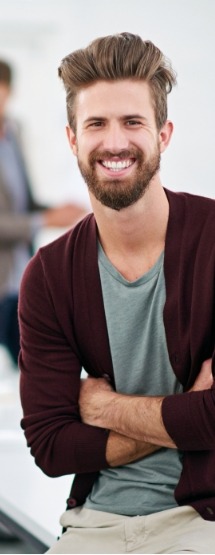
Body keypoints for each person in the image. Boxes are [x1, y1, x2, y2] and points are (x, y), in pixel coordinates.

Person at [18, 33, 215, 554]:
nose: (114, 142)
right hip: (94, 524)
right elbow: (51, 445)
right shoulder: (49, 275)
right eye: (96, 124)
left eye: (132, 122)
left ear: (164, 134)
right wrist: (184, 415)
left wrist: (103, 408)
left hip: (203, 519)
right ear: (72, 139)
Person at [0, 59, 87, 366]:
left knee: (31, 364)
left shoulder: (14, 132)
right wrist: (45, 220)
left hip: (17, 274)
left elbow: (22, 200)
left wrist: (55, 210)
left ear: (8, 91)